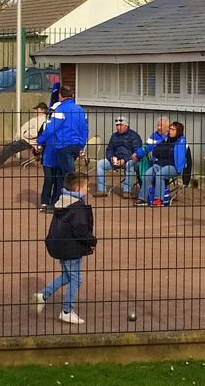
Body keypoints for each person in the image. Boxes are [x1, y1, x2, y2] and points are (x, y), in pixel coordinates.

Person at [33, 171, 96, 325]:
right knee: (77, 279)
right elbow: (80, 229)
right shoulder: (77, 206)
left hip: (61, 244)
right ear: (78, 188)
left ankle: (43, 295)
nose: (88, 190)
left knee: (68, 276)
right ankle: (67, 310)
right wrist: (92, 240)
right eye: (86, 186)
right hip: (70, 247)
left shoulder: (63, 200)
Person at [37, 86, 88, 208]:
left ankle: (66, 204)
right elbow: (85, 129)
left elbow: (51, 128)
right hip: (76, 146)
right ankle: (59, 202)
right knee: (64, 174)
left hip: (64, 146)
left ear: (60, 95)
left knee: (67, 177)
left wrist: (39, 140)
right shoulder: (80, 110)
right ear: (73, 95)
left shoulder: (60, 109)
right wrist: (81, 145)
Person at [136, 121, 188, 207]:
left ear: (178, 131)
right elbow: (156, 150)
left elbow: (181, 157)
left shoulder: (181, 142)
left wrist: (165, 152)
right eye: (170, 129)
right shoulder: (164, 139)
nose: (170, 131)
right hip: (161, 164)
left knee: (160, 174)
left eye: (173, 129)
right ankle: (143, 198)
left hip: (174, 166)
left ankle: (158, 199)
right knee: (148, 174)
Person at [0, 102, 48, 169]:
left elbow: (37, 132)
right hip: (27, 139)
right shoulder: (39, 118)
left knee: (10, 148)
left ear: (43, 110)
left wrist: (25, 134)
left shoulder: (42, 119)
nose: (35, 111)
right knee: (8, 147)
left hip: (29, 141)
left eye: (37, 109)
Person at [95, 116, 142, 197]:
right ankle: (101, 189)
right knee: (100, 163)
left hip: (128, 160)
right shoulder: (114, 136)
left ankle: (127, 191)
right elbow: (109, 149)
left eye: (120, 125)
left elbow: (137, 152)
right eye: (117, 125)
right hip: (115, 160)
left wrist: (124, 160)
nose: (118, 127)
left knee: (130, 164)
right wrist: (111, 157)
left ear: (126, 125)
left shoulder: (134, 136)